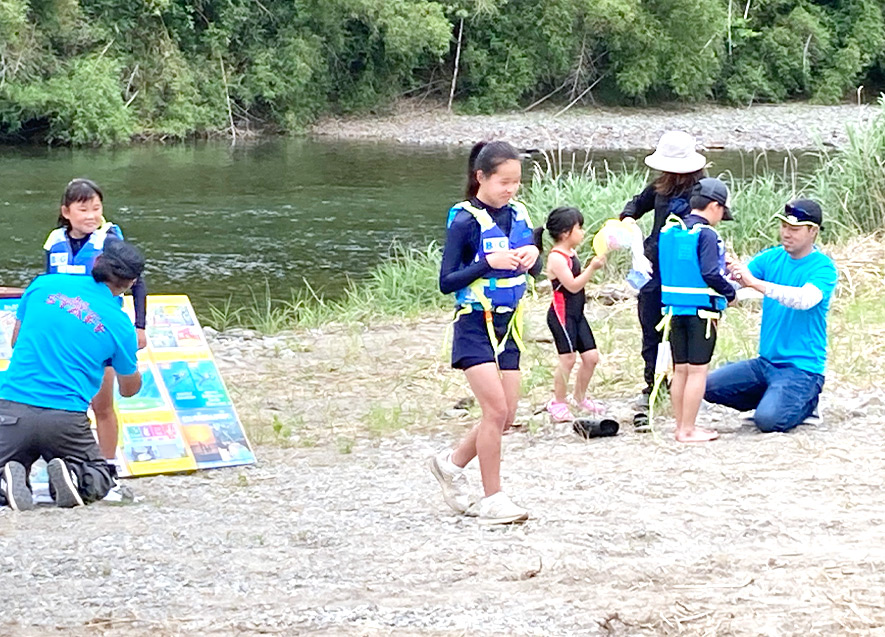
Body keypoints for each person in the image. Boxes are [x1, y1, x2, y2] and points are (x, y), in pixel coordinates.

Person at [428, 141, 540, 526]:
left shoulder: (519, 215)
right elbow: (447, 281)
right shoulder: (464, 221)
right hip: (475, 323)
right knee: (493, 411)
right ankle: (494, 498)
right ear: (481, 178)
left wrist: (533, 258)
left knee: (506, 415)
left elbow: (531, 264)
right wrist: (485, 263)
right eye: (503, 182)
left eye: (516, 183)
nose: (510, 190)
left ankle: (451, 463)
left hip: (510, 325)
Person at [0, 241, 145, 510]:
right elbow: (128, 389)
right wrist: (133, 368)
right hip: (65, 418)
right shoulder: (120, 324)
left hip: (11, 407)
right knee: (99, 478)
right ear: (131, 282)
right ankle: (77, 477)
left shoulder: (43, 285)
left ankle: (6, 481)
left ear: (97, 261)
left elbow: (17, 341)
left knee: (7, 455)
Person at [705, 200, 837, 433]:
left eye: (794, 229)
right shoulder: (771, 258)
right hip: (765, 363)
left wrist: (755, 283)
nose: (786, 234)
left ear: (813, 231)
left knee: (768, 422)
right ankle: (776, 398)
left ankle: (806, 404)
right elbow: (737, 284)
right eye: (784, 227)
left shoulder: (823, 268)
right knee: (707, 386)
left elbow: (805, 299)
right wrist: (727, 270)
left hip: (802, 368)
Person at [43, 178, 147, 465]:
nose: (91, 216)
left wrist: (140, 326)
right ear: (66, 212)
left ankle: (108, 465)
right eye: (83, 209)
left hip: (100, 330)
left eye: (96, 209)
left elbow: (137, 282)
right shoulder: (54, 241)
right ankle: (66, 464)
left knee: (102, 404)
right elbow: (46, 286)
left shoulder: (111, 240)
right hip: (64, 332)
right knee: (65, 403)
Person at [620, 131, 706, 408]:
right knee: (650, 323)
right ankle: (653, 384)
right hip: (653, 265)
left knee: (682, 324)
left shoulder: (703, 191)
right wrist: (628, 219)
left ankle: (683, 381)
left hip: (686, 269)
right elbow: (635, 204)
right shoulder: (660, 187)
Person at [658, 178, 736, 442]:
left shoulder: (670, 231)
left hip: (672, 312)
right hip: (702, 314)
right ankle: (689, 429)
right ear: (715, 206)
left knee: (680, 370)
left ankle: (680, 425)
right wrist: (731, 292)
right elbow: (710, 273)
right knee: (697, 371)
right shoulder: (707, 234)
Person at [533, 207, 607, 422]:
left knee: (591, 358)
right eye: (579, 228)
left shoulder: (571, 253)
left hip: (577, 313)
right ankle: (558, 402)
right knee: (567, 359)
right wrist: (592, 268)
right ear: (566, 233)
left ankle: (580, 397)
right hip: (561, 314)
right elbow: (573, 286)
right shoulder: (557, 257)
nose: (582, 232)